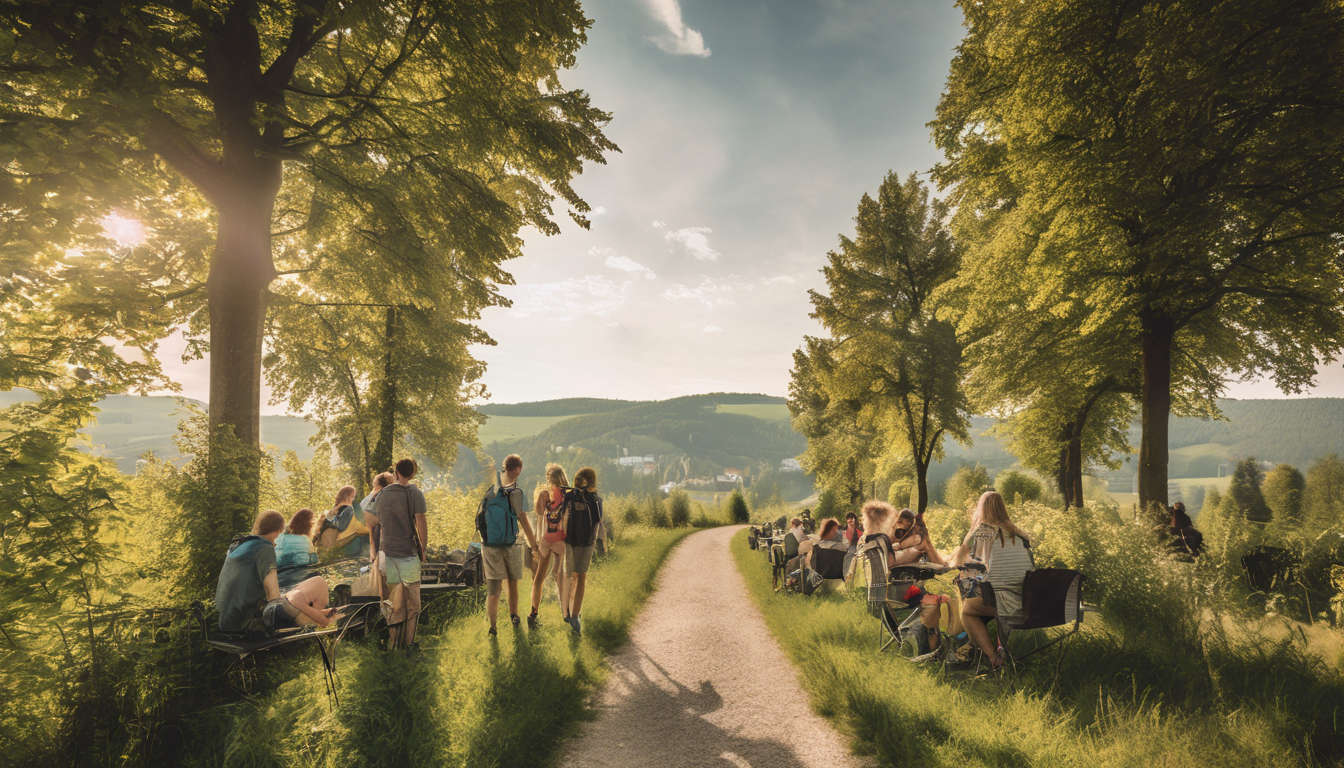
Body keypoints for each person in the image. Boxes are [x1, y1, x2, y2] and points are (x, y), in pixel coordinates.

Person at [947, 491, 1033, 671]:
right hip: (1025, 600)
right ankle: (978, 650)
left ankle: (992, 658)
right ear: (1002, 509)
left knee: (968, 611)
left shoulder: (980, 533)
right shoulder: (1017, 534)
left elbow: (958, 561)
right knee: (985, 598)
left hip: (1002, 602)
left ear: (982, 509)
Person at [215, 510, 337, 634]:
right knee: (319, 582)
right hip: (253, 620)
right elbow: (272, 596)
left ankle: (317, 616)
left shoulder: (240, 546)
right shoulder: (264, 548)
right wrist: (292, 601)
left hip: (228, 621)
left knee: (296, 600)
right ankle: (317, 619)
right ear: (278, 530)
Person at [367, 458, 427, 651]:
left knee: (394, 601)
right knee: (413, 604)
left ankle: (394, 644)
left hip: (387, 554)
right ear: (413, 474)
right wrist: (423, 549)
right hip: (407, 555)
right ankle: (409, 644)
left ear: (395, 471)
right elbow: (421, 524)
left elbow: (370, 517)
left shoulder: (383, 494)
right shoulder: (415, 493)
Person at [485, 454, 540, 636]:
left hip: (490, 544)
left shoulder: (491, 488)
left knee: (494, 589)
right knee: (512, 581)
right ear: (517, 470)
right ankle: (514, 616)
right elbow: (523, 518)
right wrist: (533, 544)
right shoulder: (516, 492)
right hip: (510, 543)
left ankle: (493, 627)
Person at [563, 467, 604, 634]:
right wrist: (600, 545)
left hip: (569, 541)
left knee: (571, 576)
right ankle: (575, 615)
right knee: (581, 577)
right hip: (587, 543)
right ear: (592, 481)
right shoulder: (595, 499)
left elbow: (562, 517)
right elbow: (598, 523)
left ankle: (566, 610)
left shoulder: (569, 496)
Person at [530, 463, 571, 627]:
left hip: (546, 539)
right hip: (560, 539)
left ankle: (533, 613)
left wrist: (537, 541)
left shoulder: (544, 495)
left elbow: (539, 519)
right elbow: (567, 519)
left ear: (549, 478)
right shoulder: (568, 495)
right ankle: (566, 613)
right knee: (561, 576)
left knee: (539, 578)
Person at [315, 485, 371, 558]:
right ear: (349, 497)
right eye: (353, 497)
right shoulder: (348, 509)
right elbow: (341, 526)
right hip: (336, 544)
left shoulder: (334, 509)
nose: (354, 499)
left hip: (326, 545)